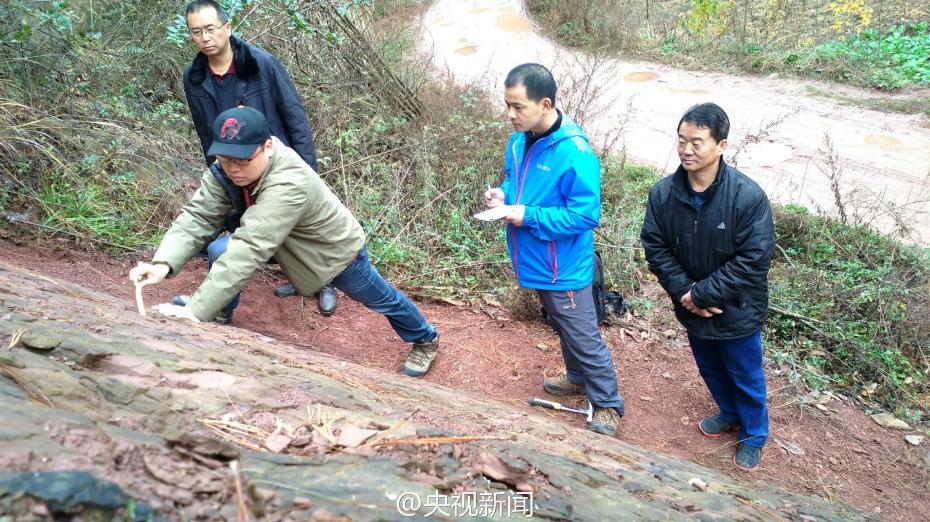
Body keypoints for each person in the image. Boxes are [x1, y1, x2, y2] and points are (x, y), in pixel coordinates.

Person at [130, 107, 440, 378]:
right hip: (279, 241)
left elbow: (250, 247)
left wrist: (195, 312)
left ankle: (426, 339)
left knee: (380, 299)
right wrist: (162, 264)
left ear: (266, 146)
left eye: (242, 160)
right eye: (225, 159)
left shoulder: (289, 180)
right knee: (218, 249)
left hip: (330, 251)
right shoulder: (226, 169)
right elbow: (197, 215)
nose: (234, 169)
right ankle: (220, 308)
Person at [483, 63, 624, 437]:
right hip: (536, 260)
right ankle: (577, 378)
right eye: (507, 105)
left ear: (545, 104)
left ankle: (608, 404)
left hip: (564, 267)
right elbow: (518, 181)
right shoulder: (519, 140)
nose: (511, 114)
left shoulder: (575, 152)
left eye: (518, 106)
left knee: (582, 333)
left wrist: (525, 214)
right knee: (562, 323)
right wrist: (504, 195)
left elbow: (584, 215)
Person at [640, 103, 775, 471]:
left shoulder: (747, 198)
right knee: (711, 368)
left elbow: (754, 260)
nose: (686, 149)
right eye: (681, 141)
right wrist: (686, 292)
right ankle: (728, 413)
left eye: (697, 142)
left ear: (722, 145)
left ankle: (753, 435)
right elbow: (655, 246)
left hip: (736, 309)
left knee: (745, 373)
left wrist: (702, 294)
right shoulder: (663, 194)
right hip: (690, 305)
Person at [181, 0, 337, 318]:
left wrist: (307, 168)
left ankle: (325, 282)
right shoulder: (194, 77)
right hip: (235, 163)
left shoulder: (260, 63)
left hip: (273, 160)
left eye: (210, 29)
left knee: (301, 224)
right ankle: (283, 281)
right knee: (258, 224)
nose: (205, 37)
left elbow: (294, 115)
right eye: (196, 32)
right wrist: (217, 169)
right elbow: (205, 130)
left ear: (227, 27)